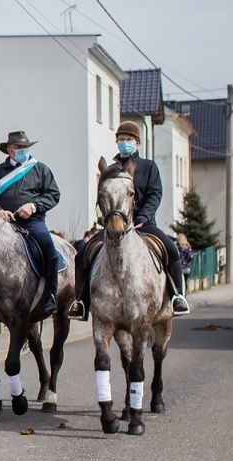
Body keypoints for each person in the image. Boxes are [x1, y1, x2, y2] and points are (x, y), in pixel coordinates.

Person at [74, 122, 189, 318]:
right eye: (121, 139)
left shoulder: (148, 167)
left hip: (144, 224)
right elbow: (102, 196)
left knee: (171, 249)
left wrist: (143, 217)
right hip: (115, 225)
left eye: (128, 140)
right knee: (82, 254)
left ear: (137, 142)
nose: (124, 143)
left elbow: (155, 194)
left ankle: (177, 296)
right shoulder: (110, 169)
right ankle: (81, 302)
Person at [0, 130, 63, 317]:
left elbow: (53, 195)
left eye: (25, 147)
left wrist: (33, 206)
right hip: (3, 223)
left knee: (47, 246)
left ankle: (51, 293)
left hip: (32, 221)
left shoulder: (40, 170)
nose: (23, 150)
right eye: (19, 148)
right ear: (10, 150)